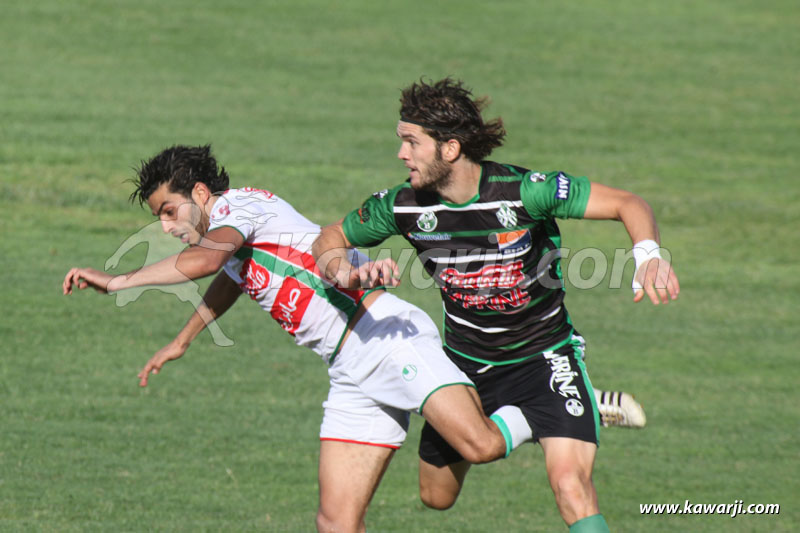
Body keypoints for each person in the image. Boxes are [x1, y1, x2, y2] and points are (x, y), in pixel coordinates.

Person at [61, 144, 536, 533]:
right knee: (338, 521)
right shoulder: (229, 235)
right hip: (349, 367)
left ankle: (547, 405)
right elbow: (230, 275)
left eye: (168, 212)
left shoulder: (238, 208)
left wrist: (118, 281)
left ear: (201, 193)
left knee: (482, 446)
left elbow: (208, 263)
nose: (166, 227)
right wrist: (183, 339)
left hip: (384, 337)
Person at [312, 78, 680, 532]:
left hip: (544, 358)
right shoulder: (403, 206)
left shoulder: (525, 191)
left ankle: (562, 404)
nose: (401, 154)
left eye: (411, 143)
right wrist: (343, 271)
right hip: (464, 367)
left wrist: (648, 256)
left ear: (449, 149)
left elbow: (628, 203)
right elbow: (332, 237)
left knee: (571, 487)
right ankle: (546, 415)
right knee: (436, 496)